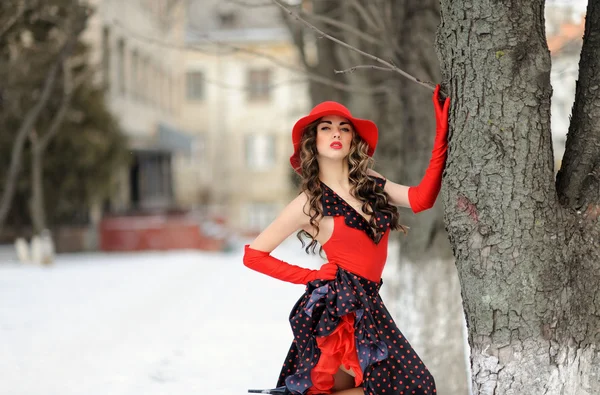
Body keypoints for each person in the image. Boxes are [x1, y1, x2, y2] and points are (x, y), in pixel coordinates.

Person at [243, 85, 450, 395]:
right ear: (313, 141)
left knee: (388, 386)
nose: (336, 133)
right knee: (413, 386)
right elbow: (253, 255)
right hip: (341, 309)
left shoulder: (372, 184)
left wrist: (442, 136)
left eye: (344, 128)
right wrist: (311, 276)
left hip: (370, 303)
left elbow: (421, 199)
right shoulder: (308, 202)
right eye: (326, 128)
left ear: (353, 139)